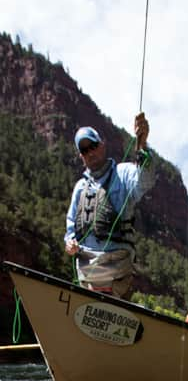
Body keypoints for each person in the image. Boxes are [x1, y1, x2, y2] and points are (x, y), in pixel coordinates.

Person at [64, 113, 155, 297]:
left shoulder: (123, 173)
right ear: (81, 156)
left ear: (102, 145)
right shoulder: (80, 188)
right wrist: (69, 243)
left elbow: (145, 181)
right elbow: (70, 228)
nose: (90, 153)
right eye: (84, 150)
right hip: (86, 273)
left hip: (117, 271)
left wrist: (142, 144)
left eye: (93, 146)